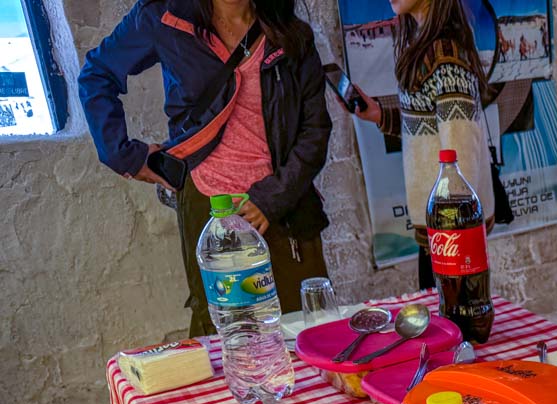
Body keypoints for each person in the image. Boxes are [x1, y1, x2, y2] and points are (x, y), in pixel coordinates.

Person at [79, 0, 332, 336]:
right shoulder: (166, 17)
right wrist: (124, 155)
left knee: (307, 331)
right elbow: (97, 73)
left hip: (285, 207)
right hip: (208, 210)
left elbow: (315, 131)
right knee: (223, 335)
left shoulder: (290, 32)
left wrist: (272, 199)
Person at [348, 0, 494, 289]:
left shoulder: (445, 55)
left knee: (455, 326)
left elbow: (460, 150)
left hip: (450, 230)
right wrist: (381, 116)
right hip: (440, 229)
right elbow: (431, 131)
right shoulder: (426, 44)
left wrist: (451, 230)